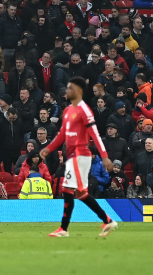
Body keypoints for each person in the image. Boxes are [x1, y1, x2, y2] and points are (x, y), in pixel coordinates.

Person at [41, 77, 117, 238]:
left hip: (81, 155)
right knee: (80, 193)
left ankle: (63, 229)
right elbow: (63, 134)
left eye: (71, 88)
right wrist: (49, 148)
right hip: (72, 156)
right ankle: (107, 220)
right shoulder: (68, 110)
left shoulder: (85, 110)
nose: (67, 91)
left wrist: (104, 156)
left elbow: (94, 134)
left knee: (67, 189)